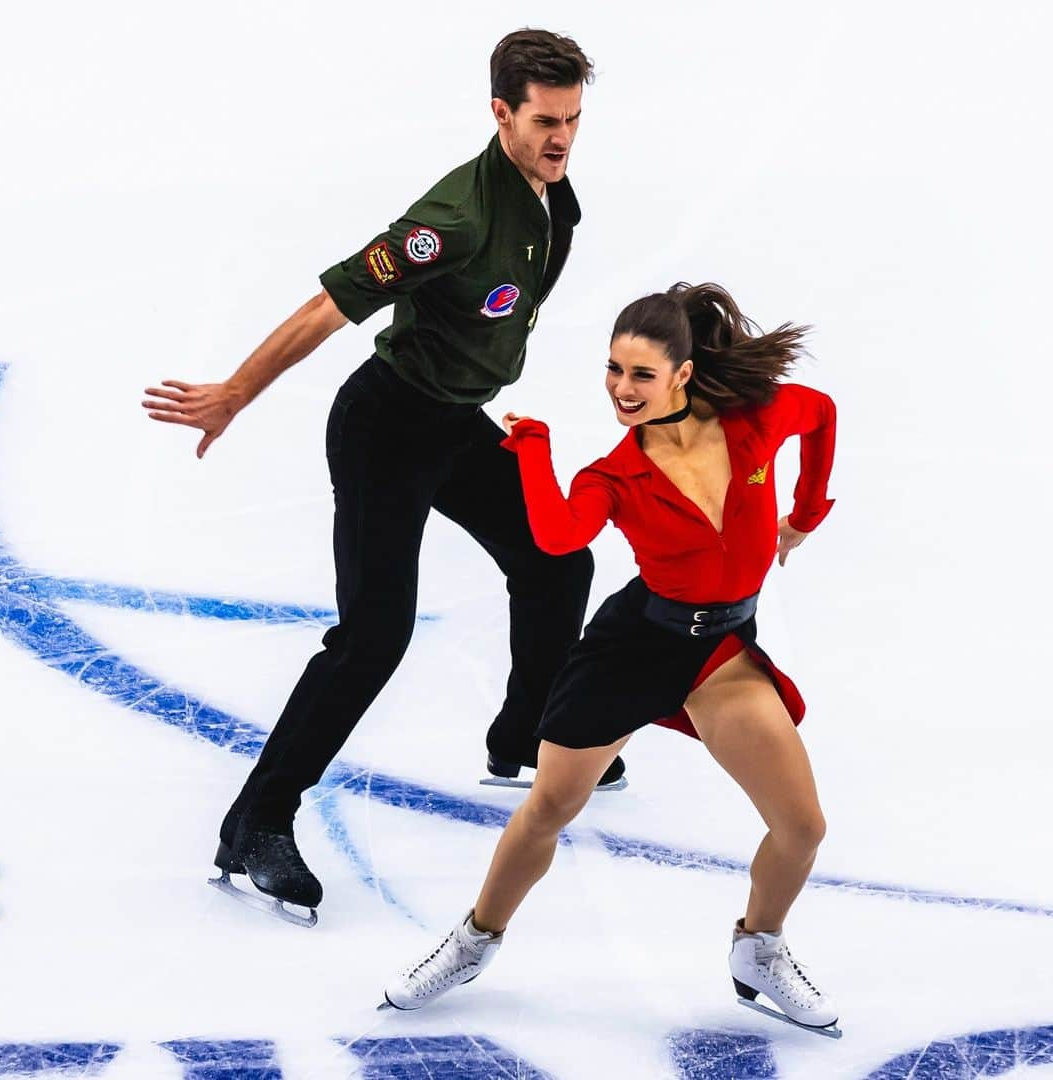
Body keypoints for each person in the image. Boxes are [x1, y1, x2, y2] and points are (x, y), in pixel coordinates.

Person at [141, 29, 625, 927]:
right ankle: (259, 822)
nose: (561, 139)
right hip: (386, 428)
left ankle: (525, 734)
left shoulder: (551, 195)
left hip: (452, 419)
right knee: (373, 637)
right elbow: (331, 305)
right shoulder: (451, 220)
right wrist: (236, 393)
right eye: (545, 121)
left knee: (557, 560)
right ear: (500, 114)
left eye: (573, 121)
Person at [382, 282, 841, 1036]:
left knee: (802, 827)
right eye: (613, 371)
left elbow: (819, 412)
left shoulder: (755, 425)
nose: (621, 390)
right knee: (551, 808)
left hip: (720, 655)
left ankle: (758, 950)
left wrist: (806, 515)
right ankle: (474, 940)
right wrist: (533, 451)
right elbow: (560, 538)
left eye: (640, 375)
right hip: (633, 648)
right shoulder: (613, 475)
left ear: (682, 375)